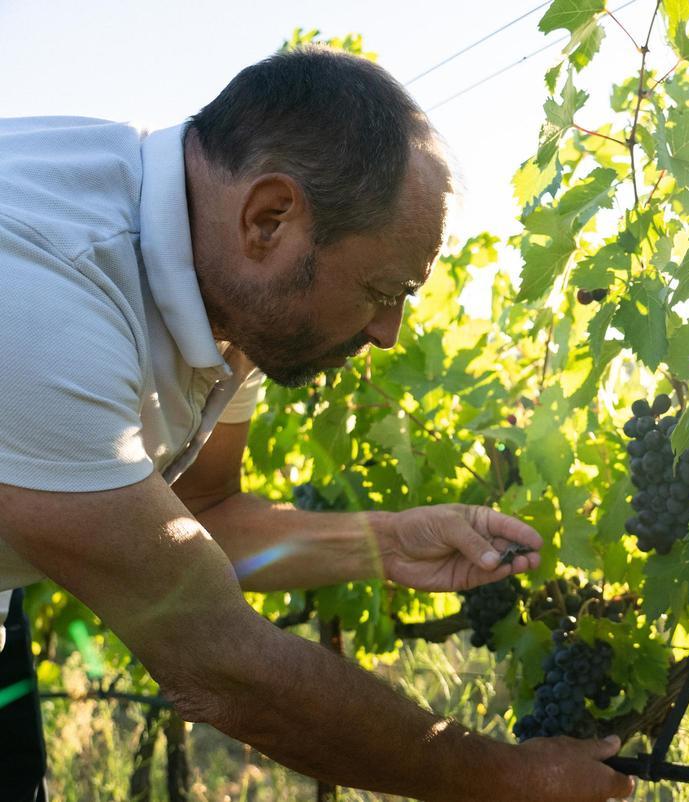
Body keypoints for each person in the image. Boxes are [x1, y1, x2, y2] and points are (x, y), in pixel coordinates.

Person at [0, 46, 635, 801]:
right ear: (270, 218)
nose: (388, 333)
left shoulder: (227, 291)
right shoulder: (41, 297)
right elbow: (218, 663)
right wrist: (508, 778)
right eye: (380, 290)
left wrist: (387, 540)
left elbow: (201, 516)